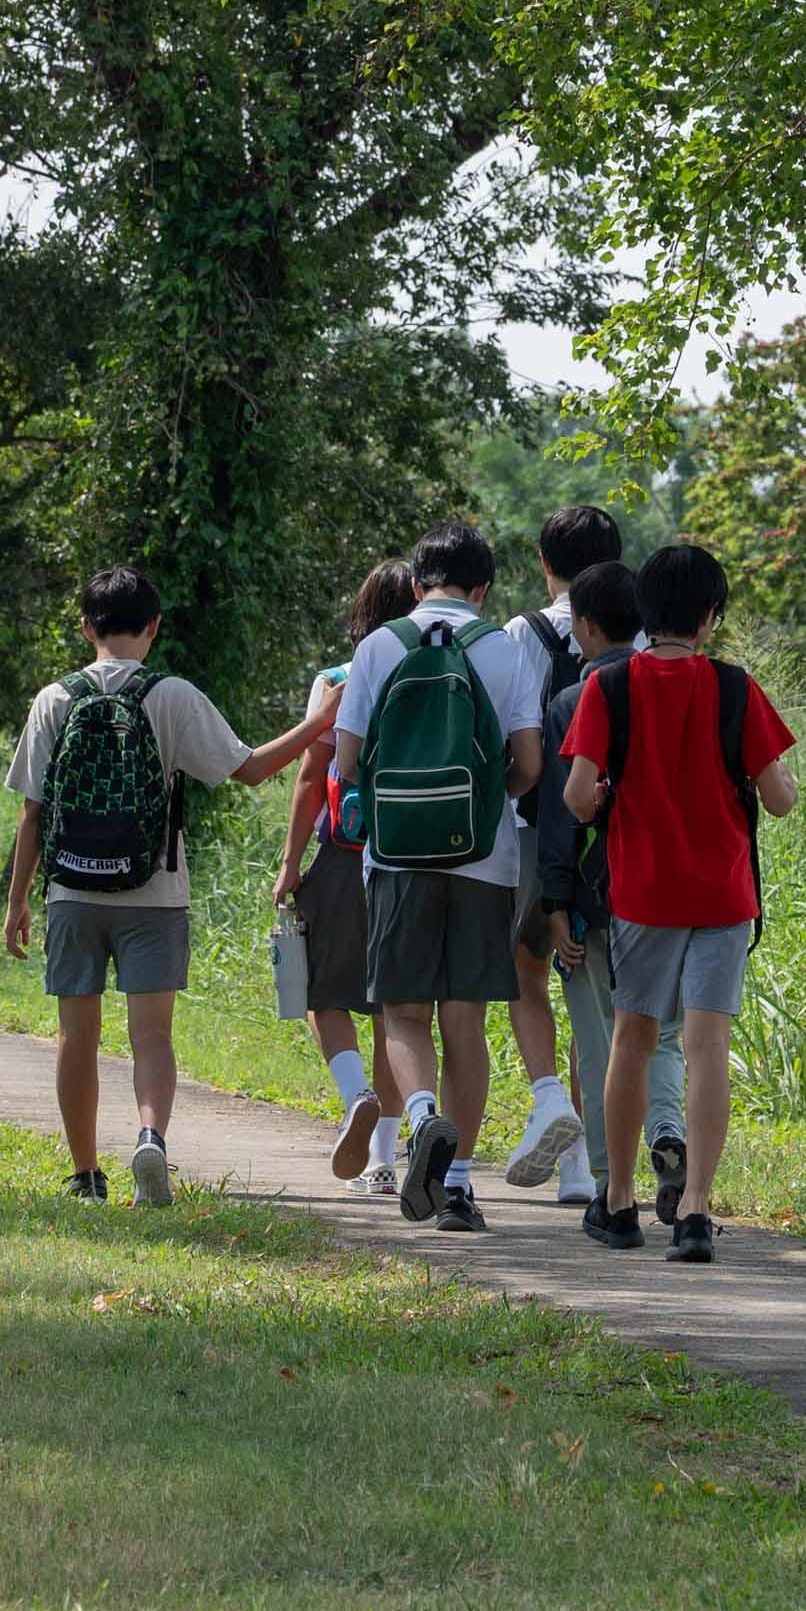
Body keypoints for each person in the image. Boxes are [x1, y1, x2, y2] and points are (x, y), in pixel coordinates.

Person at [554, 538, 794, 1259]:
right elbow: (780, 798)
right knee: (706, 1046)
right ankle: (694, 1213)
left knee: (631, 1041)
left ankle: (619, 1202)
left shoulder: (609, 688)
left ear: (644, 610)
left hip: (644, 894)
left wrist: (606, 798)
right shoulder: (735, 688)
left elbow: (576, 796)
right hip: (722, 895)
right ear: (710, 616)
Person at [2, 566, 271, 1203]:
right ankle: (151, 1138)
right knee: (151, 1036)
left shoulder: (54, 698)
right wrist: (324, 719)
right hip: (154, 891)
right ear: (153, 626)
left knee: (76, 1036)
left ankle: (85, 1175)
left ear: (85, 627)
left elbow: (33, 813)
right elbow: (251, 770)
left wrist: (18, 902)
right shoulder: (172, 695)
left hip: (72, 892)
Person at [340, 522, 560, 1233]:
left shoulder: (379, 646)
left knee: (404, 1014)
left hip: (396, 857)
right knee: (465, 1019)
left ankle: (421, 1115)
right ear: (483, 587)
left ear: (415, 583)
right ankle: (459, 1187)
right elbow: (529, 765)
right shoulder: (503, 649)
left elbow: (346, 762)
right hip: (484, 861)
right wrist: (485, 801)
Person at [237, 565, 413, 1185]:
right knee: (396, 1011)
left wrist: (290, 863)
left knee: (320, 994)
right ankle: (385, 1159)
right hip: (413, 856)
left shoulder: (338, 680)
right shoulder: (433, 673)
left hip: (343, 854)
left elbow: (313, 777)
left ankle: (354, 1092)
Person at [497, 506, 631, 1201]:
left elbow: (513, 733)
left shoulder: (524, 632)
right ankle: (589, 1159)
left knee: (529, 972)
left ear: (546, 564)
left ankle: (557, 1115)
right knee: (594, 991)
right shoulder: (638, 636)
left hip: (534, 828)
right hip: (616, 840)